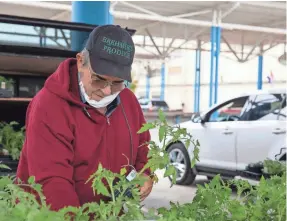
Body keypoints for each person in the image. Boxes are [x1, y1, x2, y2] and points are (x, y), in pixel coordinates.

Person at [16, 25, 153, 211]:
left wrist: (145, 173)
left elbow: (142, 147)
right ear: (81, 62)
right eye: (98, 79)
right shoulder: (49, 106)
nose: (106, 91)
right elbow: (52, 183)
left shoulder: (128, 101)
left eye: (117, 82)